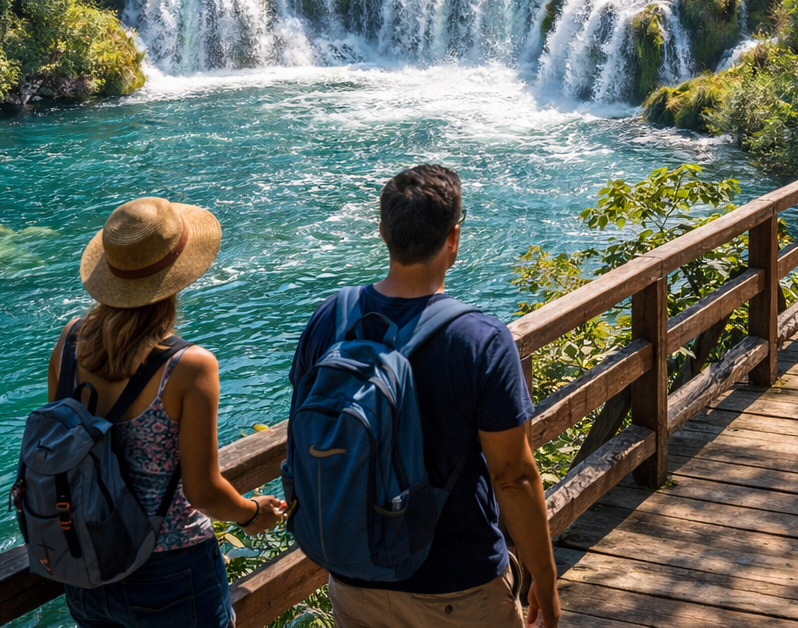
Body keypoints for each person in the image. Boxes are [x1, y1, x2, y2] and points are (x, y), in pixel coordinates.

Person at [289, 165, 559, 628]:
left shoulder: (330, 317)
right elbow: (513, 477)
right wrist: (546, 580)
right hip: (459, 584)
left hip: (356, 578)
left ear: (383, 231)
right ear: (453, 237)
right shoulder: (479, 338)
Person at [51, 197, 284, 628]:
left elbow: (61, 447)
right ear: (176, 276)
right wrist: (253, 513)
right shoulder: (188, 366)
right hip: (172, 571)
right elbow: (203, 491)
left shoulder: (70, 343)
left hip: (88, 565)